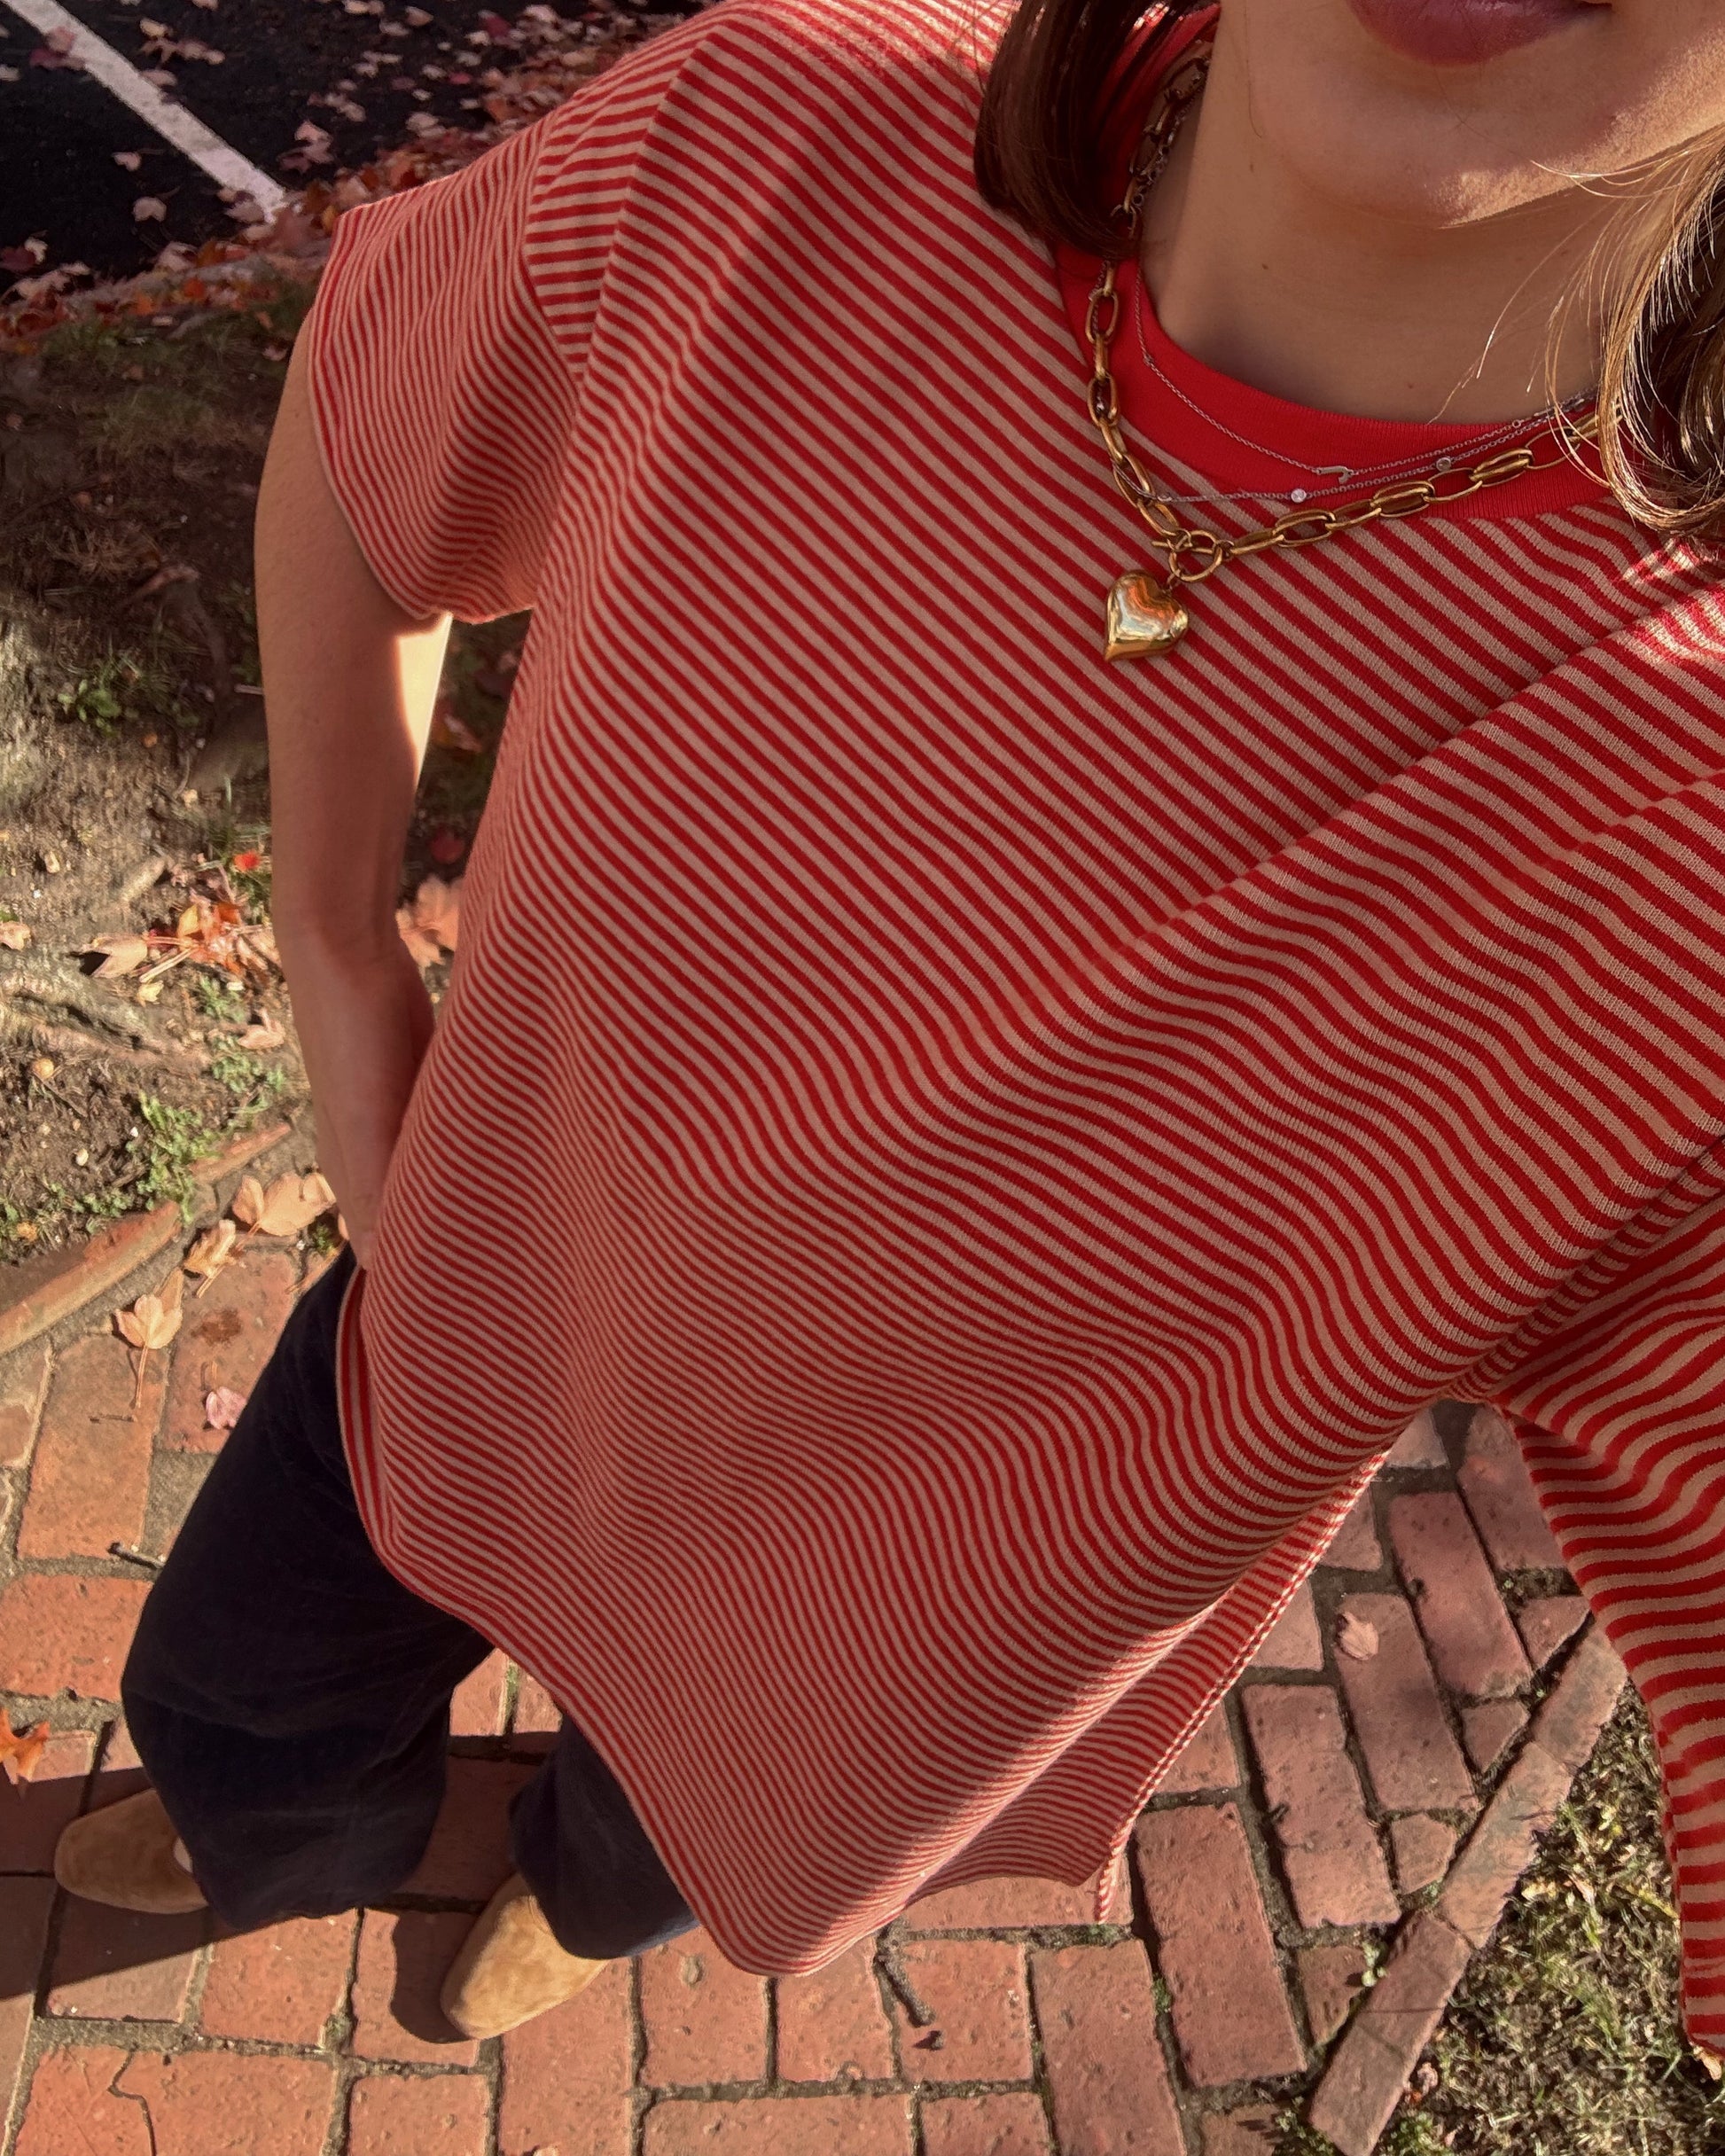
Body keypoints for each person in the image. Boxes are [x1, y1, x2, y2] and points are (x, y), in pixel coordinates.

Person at [54, 0, 1725, 2064]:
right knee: (242, 1692)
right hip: (470, 1300)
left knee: (650, 1837)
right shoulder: (766, 144)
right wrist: (334, 942)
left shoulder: (1685, 832)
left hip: (854, 1646)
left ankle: (576, 1904)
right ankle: (292, 1843)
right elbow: (386, 388)